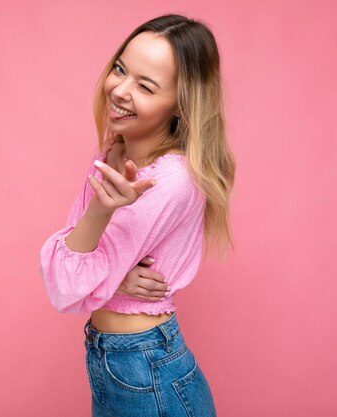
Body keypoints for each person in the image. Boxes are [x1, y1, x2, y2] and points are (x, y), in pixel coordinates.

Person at [39, 14, 235, 417]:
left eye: (145, 86)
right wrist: (113, 275)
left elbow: (67, 282)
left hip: (146, 371)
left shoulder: (170, 179)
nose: (120, 90)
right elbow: (76, 266)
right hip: (118, 362)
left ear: (182, 104)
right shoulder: (117, 152)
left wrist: (104, 270)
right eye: (120, 69)